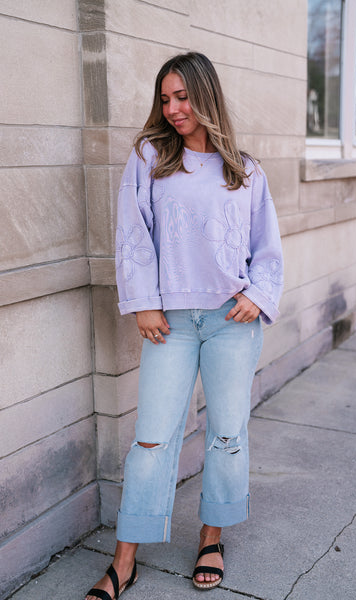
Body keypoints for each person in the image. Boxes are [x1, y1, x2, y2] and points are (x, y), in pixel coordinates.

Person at [85, 51, 283, 600]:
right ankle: (124, 561)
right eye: (165, 98)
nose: (173, 108)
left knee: (227, 433)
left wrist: (257, 295)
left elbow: (267, 247)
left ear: (206, 95)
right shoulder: (150, 157)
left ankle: (210, 538)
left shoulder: (245, 170)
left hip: (231, 321)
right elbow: (132, 232)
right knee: (152, 437)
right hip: (169, 322)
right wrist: (144, 303)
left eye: (183, 97)